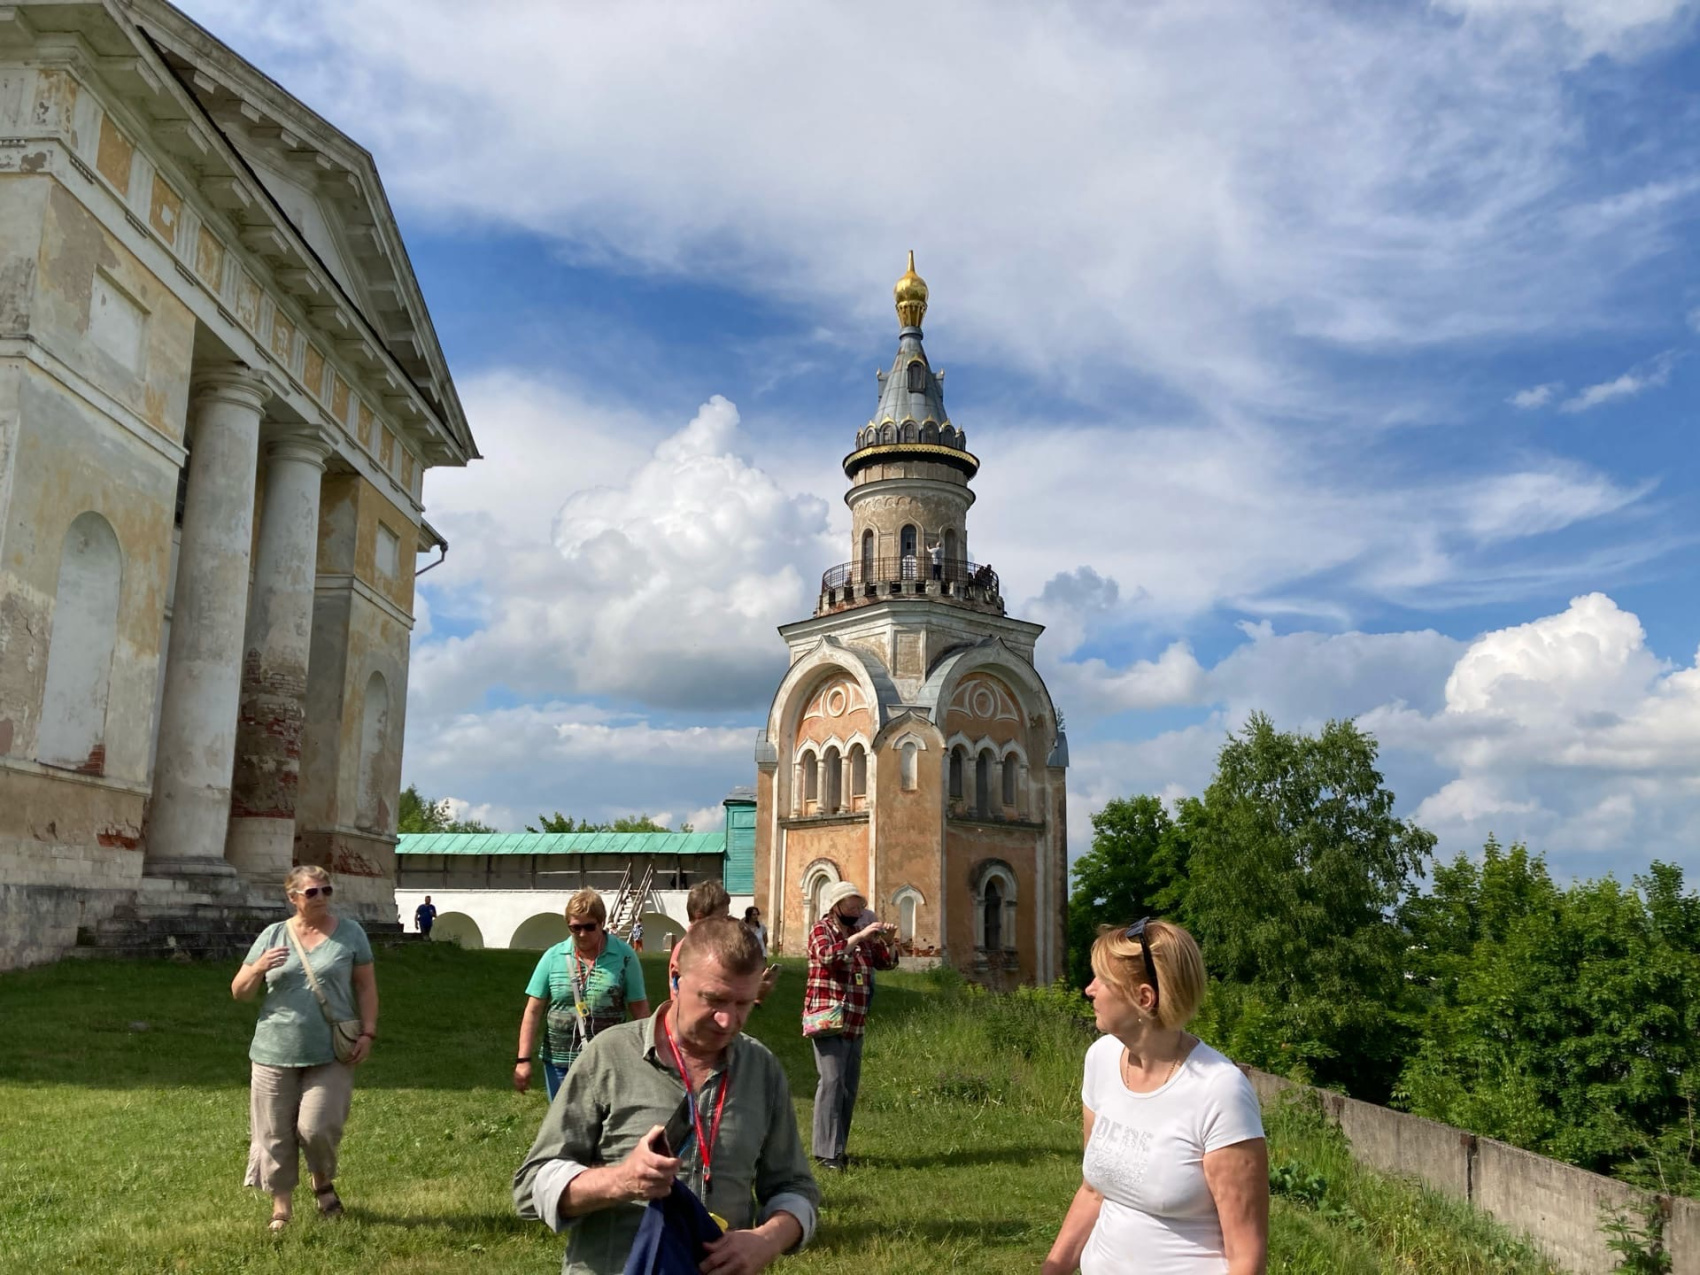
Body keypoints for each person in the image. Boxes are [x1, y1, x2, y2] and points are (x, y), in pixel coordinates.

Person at [514, 916, 820, 1274]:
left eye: (743, 1004)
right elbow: (531, 1187)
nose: (728, 1020)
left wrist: (766, 1240)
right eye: (714, 999)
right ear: (675, 979)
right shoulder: (609, 1055)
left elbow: (795, 1186)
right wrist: (622, 1181)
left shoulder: (762, 1070)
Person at [1042, 918, 1268, 1275]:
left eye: (1102, 980)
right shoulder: (1101, 1059)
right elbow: (1093, 1190)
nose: (1089, 989)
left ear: (1143, 998)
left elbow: (1246, 1258)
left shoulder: (1219, 1090)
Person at [230, 865, 377, 1232]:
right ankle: (281, 1207)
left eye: (327, 890)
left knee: (317, 1127)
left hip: (331, 1049)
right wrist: (259, 967)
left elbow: (366, 988)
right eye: (312, 893)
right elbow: (240, 991)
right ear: (293, 897)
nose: (322, 898)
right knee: (274, 1132)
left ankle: (321, 1180)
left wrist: (368, 1032)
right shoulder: (272, 935)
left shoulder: (350, 935)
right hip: (273, 1048)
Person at [516, 889, 649, 1101]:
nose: (582, 934)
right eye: (575, 928)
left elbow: (640, 1009)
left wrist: (648, 1056)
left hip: (610, 1059)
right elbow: (533, 1011)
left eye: (589, 927)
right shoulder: (553, 956)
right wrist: (523, 1060)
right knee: (566, 1126)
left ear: (602, 922)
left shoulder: (624, 956)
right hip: (560, 1060)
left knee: (606, 1125)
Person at [803, 882, 897, 1170]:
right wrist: (859, 936)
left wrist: (889, 941)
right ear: (837, 906)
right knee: (831, 1082)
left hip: (855, 1021)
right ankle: (825, 1153)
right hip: (828, 1018)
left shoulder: (862, 935)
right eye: (852, 906)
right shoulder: (822, 930)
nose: (857, 912)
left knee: (847, 1087)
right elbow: (828, 956)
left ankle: (838, 1149)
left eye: (860, 907)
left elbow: (886, 963)